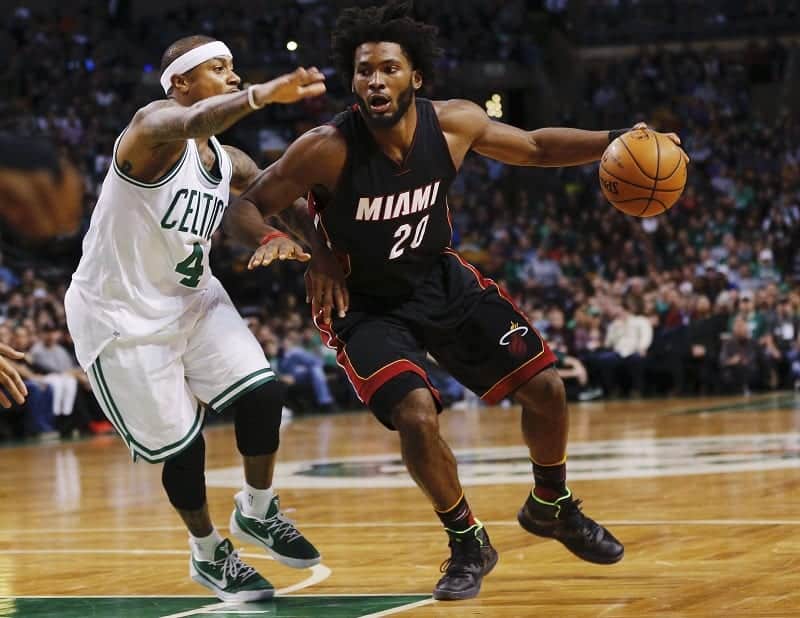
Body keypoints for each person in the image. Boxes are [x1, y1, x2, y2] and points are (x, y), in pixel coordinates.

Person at [229, 1, 687, 601]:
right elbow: (248, 203)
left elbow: (535, 147)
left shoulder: (454, 124)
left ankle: (552, 503)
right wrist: (299, 248)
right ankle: (468, 541)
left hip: (438, 279)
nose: (375, 80)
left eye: (388, 68)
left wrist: (616, 138)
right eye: (364, 71)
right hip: (363, 303)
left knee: (547, 388)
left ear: (415, 77)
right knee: (416, 415)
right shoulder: (326, 147)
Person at [64, 35, 327, 602]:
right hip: (121, 315)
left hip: (192, 299)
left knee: (263, 395)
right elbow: (191, 120)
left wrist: (318, 243)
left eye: (235, 69)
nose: (233, 76)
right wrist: (261, 96)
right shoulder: (150, 130)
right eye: (219, 68)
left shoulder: (228, 160)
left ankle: (257, 509)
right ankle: (208, 551)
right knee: (185, 449)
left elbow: (269, 199)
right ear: (180, 82)